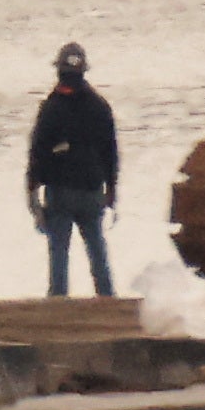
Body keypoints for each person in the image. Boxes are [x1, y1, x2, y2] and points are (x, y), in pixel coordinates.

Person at [27, 41, 120, 298]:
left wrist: (32, 190)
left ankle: (58, 304)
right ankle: (108, 302)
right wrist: (112, 188)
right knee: (97, 251)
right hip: (92, 190)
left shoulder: (51, 107)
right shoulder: (99, 107)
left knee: (59, 254)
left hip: (61, 192)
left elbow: (37, 152)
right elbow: (111, 152)